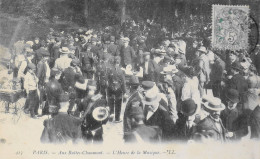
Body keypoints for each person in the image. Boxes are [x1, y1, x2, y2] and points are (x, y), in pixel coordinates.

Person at [107, 56, 127, 122]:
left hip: (110, 88)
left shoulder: (109, 69)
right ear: (119, 62)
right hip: (118, 89)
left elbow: (107, 79)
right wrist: (125, 92)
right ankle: (117, 118)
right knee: (118, 103)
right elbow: (123, 82)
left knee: (111, 102)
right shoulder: (121, 71)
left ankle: (111, 116)